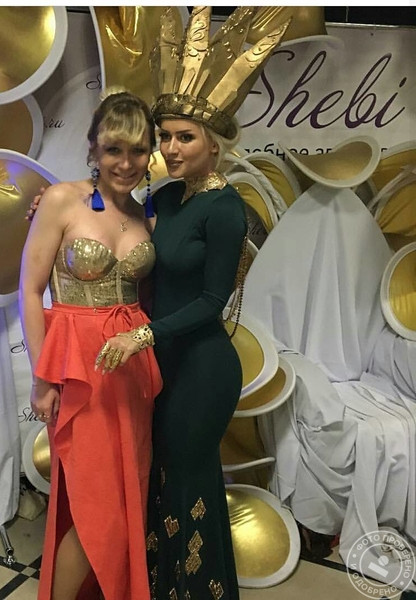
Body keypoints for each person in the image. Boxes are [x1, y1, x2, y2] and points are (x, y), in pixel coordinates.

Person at [95, 7, 289, 599]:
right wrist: (60, 207)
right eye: (166, 137)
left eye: (185, 137)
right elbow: (118, 221)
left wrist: (142, 334)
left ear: (214, 144)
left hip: (202, 366)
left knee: (189, 478)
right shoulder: (167, 199)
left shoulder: (225, 209)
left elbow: (211, 301)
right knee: (161, 476)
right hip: (164, 363)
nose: (171, 148)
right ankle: (162, 586)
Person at [18, 90, 162, 600]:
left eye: (138, 151)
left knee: (127, 497)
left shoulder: (146, 215)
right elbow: (30, 291)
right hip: (79, 371)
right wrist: (42, 378)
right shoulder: (60, 200)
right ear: (93, 149)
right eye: (113, 149)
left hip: (131, 369)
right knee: (93, 505)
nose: (126, 163)